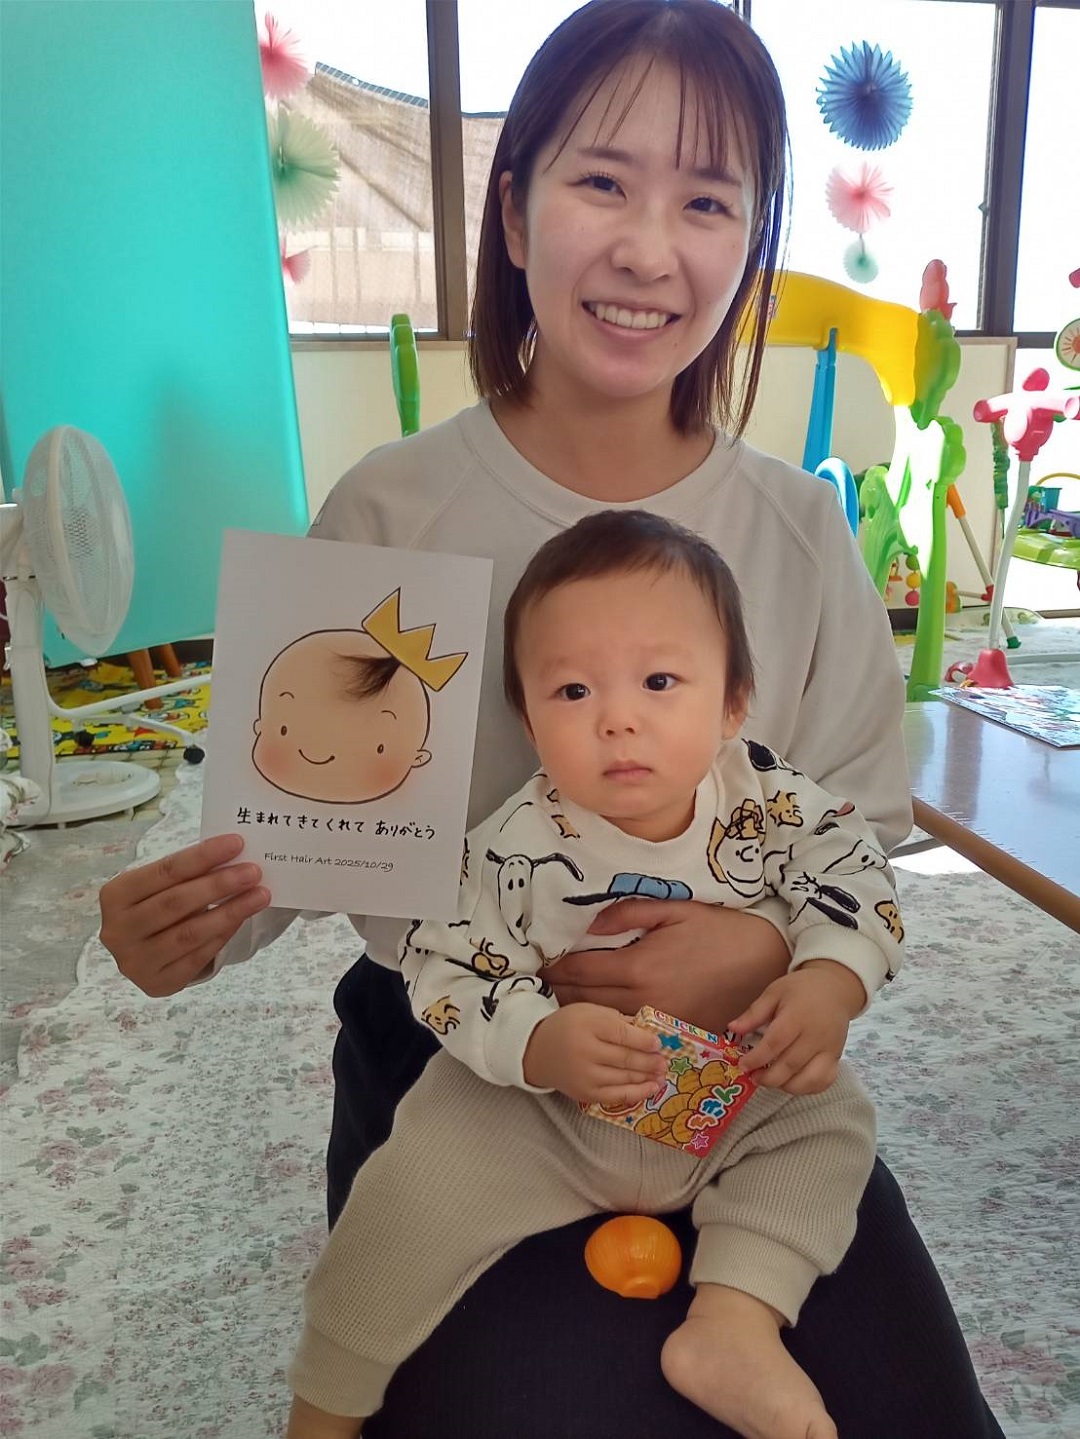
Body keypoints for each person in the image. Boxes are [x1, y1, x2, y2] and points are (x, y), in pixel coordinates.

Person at [98, 4, 1005, 1435]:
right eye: (603, 181)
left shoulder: (796, 528)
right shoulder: (390, 509)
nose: (650, 248)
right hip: (469, 1048)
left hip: (736, 1067)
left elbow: (858, 839)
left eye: (706, 201)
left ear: (750, 245)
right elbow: (302, 819)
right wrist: (193, 919)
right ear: (514, 214)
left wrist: (765, 948)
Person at [287, 509, 905, 1439]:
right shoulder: (512, 843)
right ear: (528, 718)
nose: (617, 717)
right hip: (543, 1111)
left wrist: (831, 981)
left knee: (832, 1119)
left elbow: (860, 877)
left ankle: (734, 1322)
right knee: (403, 1195)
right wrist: (538, 1041)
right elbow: (442, 965)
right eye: (572, 690)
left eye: (659, 681)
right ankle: (323, 1404)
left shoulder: (770, 801)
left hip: (730, 1083)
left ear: (733, 702)